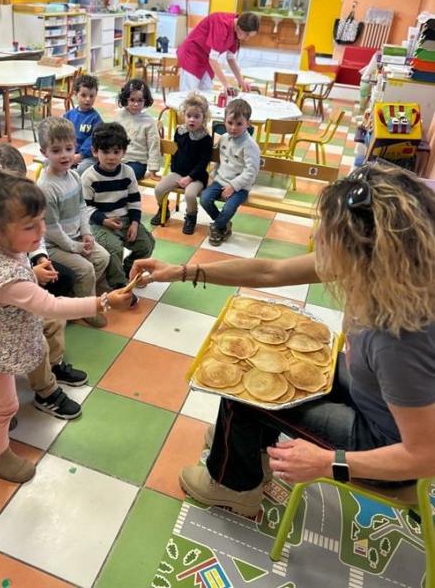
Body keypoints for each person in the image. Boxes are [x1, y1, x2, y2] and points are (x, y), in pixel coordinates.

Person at [131, 162, 435, 517]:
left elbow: (425, 455)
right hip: (377, 400)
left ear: (362, 252)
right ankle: (249, 448)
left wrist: (329, 463)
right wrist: (181, 271)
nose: (317, 235)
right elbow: (270, 270)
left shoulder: (397, 339)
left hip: (383, 449)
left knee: (242, 395)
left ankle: (233, 486)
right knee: (274, 359)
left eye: (326, 231)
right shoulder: (393, 270)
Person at [0, 156, 133, 483]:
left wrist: (33, 265)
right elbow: (52, 306)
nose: (42, 230)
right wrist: (104, 301)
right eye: (30, 226)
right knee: (5, 408)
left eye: (40, 220)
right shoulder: (5, 276)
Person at [0, 142, 86, 426]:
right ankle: (45, 390)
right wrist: (28, 280)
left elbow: (27, 246)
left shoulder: (7, 227)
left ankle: (53, 368)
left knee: (52, 323)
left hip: (11, 301)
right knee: (37, 333)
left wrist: (38, 260)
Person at [37, 117, 111, 328]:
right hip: (54, 246)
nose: (64, 155)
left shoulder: (75, 176)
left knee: (103, 258)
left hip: (76, 238)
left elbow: (81, 207)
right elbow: (52, 230)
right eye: (56, 150)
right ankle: (86, 309)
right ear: (44, 152)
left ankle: (75, 299)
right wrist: (76, 248)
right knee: (85, 269)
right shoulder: (46, 187)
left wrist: (86, 233)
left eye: (69, 149)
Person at [82, 122, 155, 298]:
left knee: (147, 243)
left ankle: (130, 270)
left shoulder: (128, 172)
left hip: (126, 220)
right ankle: (118, 283)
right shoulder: (89, 177)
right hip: (99, 223)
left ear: (124, 152)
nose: (111, 157)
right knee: (114, 248)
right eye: (105, 152)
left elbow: (134, 200)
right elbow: (85, 207)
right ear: (95, 151)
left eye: (116, 152)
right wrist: (104, 220)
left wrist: (135, 223)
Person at [151, 92, 213, 235]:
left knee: (190, 194)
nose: (192, 120)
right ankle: (163, 208)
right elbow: (178, 151)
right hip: (178, 172)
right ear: (183, 115)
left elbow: (203, 163)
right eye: (188, 115)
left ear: (204, 118)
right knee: (159, 189)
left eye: (196, 116)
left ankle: (191, 217)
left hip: (197, 177)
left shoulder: (205, 138)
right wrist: (174, 169)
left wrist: (189, 178)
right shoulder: (180, 131)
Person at [200, 98, 260, 246]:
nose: (233, 128)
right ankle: (223, 224)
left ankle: (216, 227)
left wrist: (234, 186)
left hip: (240, 186)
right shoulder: (223, 138)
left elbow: (251, 171)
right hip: (220, 180)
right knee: (204, 199)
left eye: (239, 124)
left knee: (229, 207)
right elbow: (219, 161)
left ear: (248, 124)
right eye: (230, 123)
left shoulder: (250, 145)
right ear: (224, 121)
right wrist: (214, 176)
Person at [176, 11, 259, 92]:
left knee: (207, 91)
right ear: (239, 27)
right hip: (192, 54)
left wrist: (241, 80)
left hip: (206, 59)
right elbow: (213, 59)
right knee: (188, 93)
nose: (246, 39)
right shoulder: (221, 24)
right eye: (247, 35)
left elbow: (230, 58)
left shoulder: (236, 32)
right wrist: (226, 84)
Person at [116, 78, 161, 181]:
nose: (136, 104)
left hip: (138, 162)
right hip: (118, 158)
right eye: (132, 100)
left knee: (125, 177)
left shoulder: (149, 121)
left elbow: (154, 145)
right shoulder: (119, 116)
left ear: (145, 101)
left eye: (140, 100)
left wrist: (153, 169)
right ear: (126, 100)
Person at [63, 73, 103, 174]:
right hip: (68, 152)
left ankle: (74, 183)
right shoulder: (68, 115)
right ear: (76, 94)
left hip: (88, 156)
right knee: (48, 162)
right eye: (83, 95)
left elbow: (94, 139)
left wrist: (81, 155)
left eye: (91, 96)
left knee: (82, 169)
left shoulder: (96, 119)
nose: (88, 99)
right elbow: (60, 135)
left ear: (96, 95)